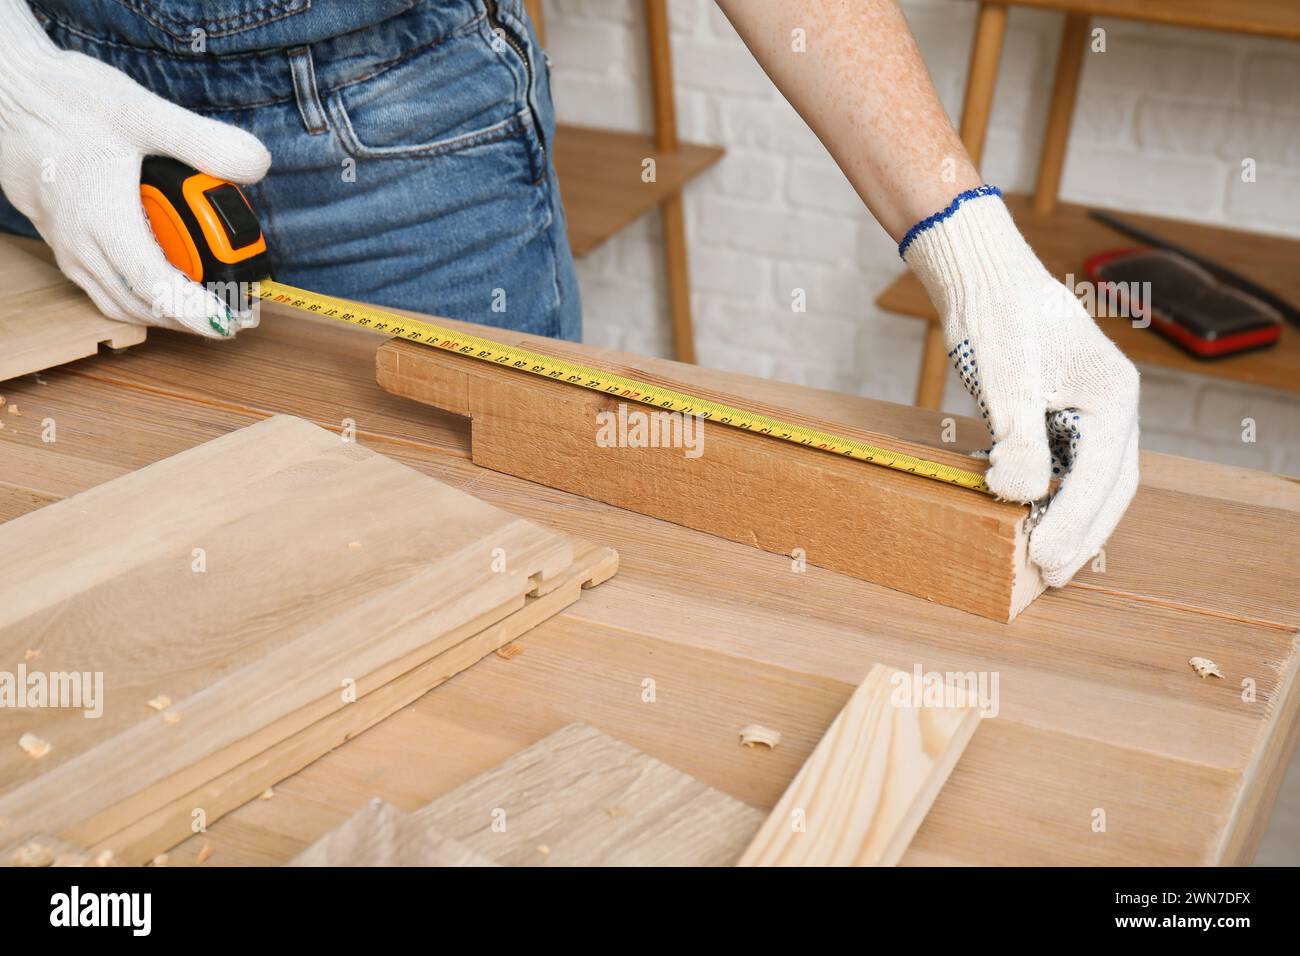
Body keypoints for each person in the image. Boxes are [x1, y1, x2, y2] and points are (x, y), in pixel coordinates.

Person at [0, 0, 1138, 586]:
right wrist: (21, 100)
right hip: (65, 131)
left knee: (482, 613)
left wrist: (965, 239)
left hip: (400, 125)